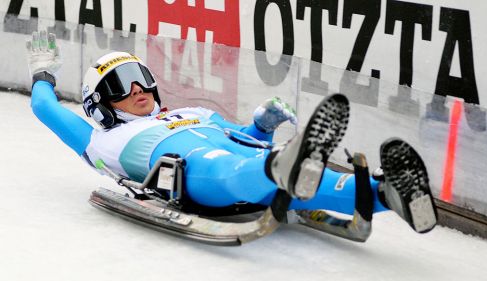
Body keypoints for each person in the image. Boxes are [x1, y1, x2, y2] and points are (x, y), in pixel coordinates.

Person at [27, 30, 437, 234]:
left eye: (138, 77)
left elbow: (243, 138)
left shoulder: (191, 111)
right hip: (187, 174)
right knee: (220, 165)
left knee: (302, 174)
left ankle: (391, 195)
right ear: (100, 104)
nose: (135, 89)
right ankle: (284, 169)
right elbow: (44, 107)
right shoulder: (100, 141)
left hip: (248, 159)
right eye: (118, 86)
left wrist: (261, 125)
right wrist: (43, 72)